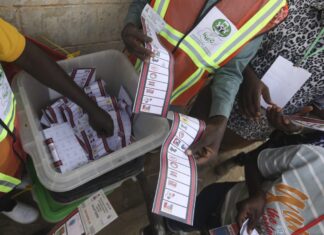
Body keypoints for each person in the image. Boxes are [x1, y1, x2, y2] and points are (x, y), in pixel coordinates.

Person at [122, 0, 288, 165]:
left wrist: (220, 118)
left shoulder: (270, 8)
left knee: (135, 145)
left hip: (172, 98)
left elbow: (231, 69)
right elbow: (144, 3)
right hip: (126, 69)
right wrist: (131, 23)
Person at [0, 18, 114, 224]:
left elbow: (29, 57)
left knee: (19, 164)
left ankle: (18, 180)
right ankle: (6, 205)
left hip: (12, 133)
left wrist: (90, 108)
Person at [165, 135, 324, 234]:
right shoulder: (315, 159)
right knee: (174, 221)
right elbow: (254, 161)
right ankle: (168, 227)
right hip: (220, 203)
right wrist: (257, 193)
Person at [226, 0, 323, 144]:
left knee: (215, 150)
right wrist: (247, 74)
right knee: (191, 131)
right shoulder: (292, 4)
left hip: (254, 128)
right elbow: (231, 35)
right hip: (223, 93)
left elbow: (318, 113)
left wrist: (295, 126)